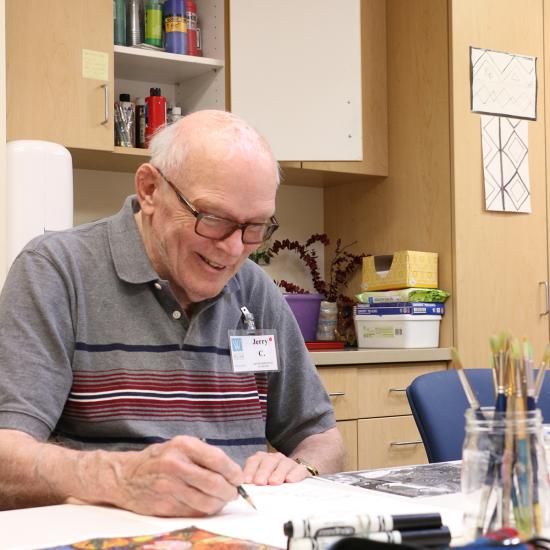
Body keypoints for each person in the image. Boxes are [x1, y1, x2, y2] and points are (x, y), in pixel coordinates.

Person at [0, 110, 344, 517]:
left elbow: (323, 437)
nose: (233, 250)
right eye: (213, 219)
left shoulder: (253, 287)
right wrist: (120, 477)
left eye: (254, 227)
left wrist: (299, 468)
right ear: (149, 190)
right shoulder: (56, 271)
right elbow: (7, 459)